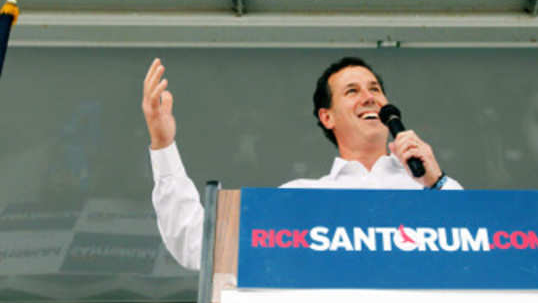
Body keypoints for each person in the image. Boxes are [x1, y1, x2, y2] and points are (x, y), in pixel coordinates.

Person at [142, 57, 462, 270]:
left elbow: (478, 247)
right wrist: (163, 145)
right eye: (352, 91)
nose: (369, 97)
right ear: (327, 117)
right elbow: (197, 245)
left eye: (375, 89)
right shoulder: (301, 198)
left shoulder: (432, 189)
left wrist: (437, 181)